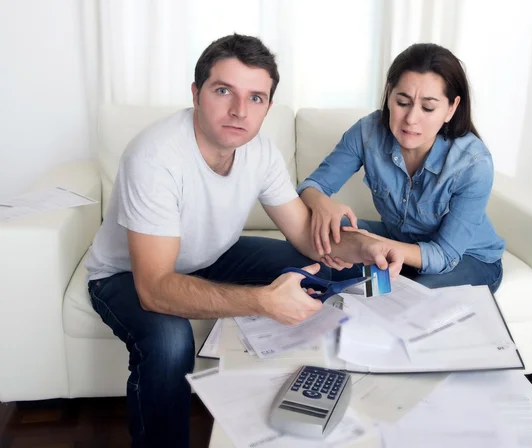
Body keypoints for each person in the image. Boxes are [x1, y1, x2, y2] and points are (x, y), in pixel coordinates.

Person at [84, 34, 402, 448]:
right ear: (196, 94)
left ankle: (326, 395)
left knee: (325, 264)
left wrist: (365, 247)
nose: (239, 110)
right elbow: (156, 288)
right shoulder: (155, 157)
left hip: (211, 256)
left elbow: (307, 235)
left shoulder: (261, 152)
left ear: (268, 106)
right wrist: (261, 301)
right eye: (223, 91)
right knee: (168, 340)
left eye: (256, 98)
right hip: (127, 274)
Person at [299, 43, 505, 293]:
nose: (411, 118)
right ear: (389, 94)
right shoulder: (367, 132)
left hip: (468, 259)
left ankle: (354, 290)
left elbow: (444, 255)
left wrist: (370, 243)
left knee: (410, 296)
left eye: (428, 108)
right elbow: (311, 186)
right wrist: (321, 202)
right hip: (399, 242)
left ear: (451, 108)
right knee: (319, 228)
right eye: (403, 102)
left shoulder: (473, 163)